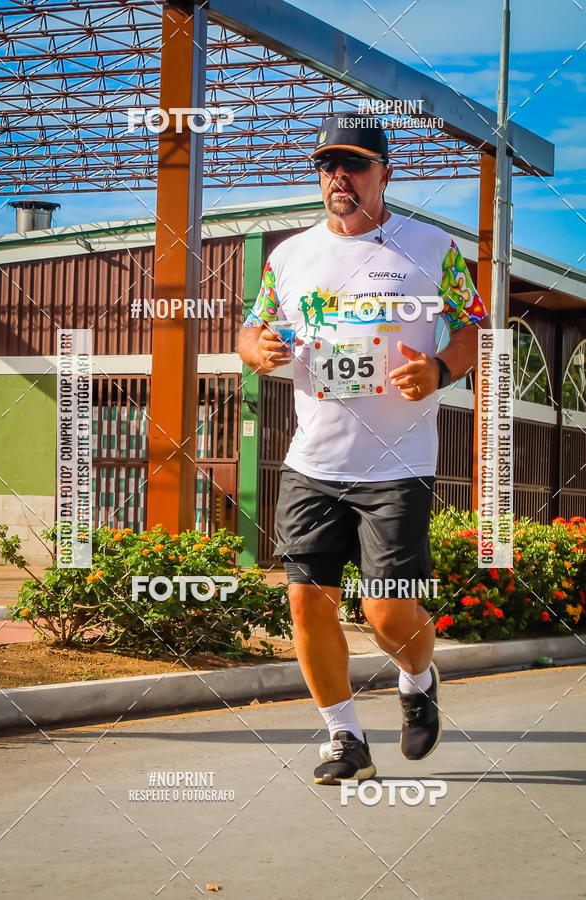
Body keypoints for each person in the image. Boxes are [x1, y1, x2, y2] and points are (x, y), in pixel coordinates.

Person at [238, 114, 490, 785]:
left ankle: (417, 678)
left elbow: (470, 326)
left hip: (397, 464)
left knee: (388, 610)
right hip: (312, 463)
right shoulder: (288, 256)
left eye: (353, 165)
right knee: (306, 603)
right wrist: (255, 350)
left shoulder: (431, 248)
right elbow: (253, 327)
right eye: (327, 166)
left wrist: (439, 369)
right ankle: (344, 737)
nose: (338, 178)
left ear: (384, 171)